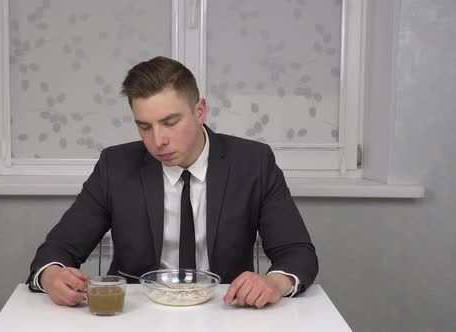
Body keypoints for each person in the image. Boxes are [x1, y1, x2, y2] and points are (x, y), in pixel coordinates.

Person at [27, 56, 318, 308]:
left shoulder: (253, 162)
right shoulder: (115, 166)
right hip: (136, 313)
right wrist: (52, 275)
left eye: (170, 123)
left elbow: (297, 252)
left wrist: (275, 283)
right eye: (144, 127)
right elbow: (58, 248)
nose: (157, 141)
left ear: (199, 111)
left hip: (227, 310)